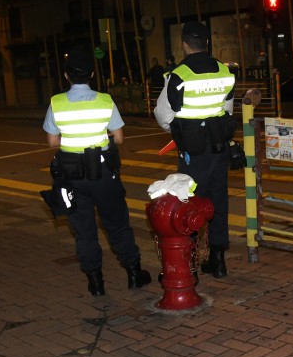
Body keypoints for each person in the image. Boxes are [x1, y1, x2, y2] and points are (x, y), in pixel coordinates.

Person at [42, 46, 152, 297]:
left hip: (72, 175)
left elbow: (51, 142)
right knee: (117, 224)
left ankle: (96, 282)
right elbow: (120, 138)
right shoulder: (105, 100)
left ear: (66, 76)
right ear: (92, 75)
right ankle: (134, 274)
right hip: (103, 173)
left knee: (83, 230)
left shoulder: (56, 103)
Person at [154, 21, 235, 278]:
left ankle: (189, 265)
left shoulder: (178, 76)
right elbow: (227, 110)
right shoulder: (224, 71)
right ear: (207, 43)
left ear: (185, 44)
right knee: (218, 201)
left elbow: (163, 115)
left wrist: (180, 131)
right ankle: (218, 261)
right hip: (219, 147)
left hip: (193, 151)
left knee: (188, 204)